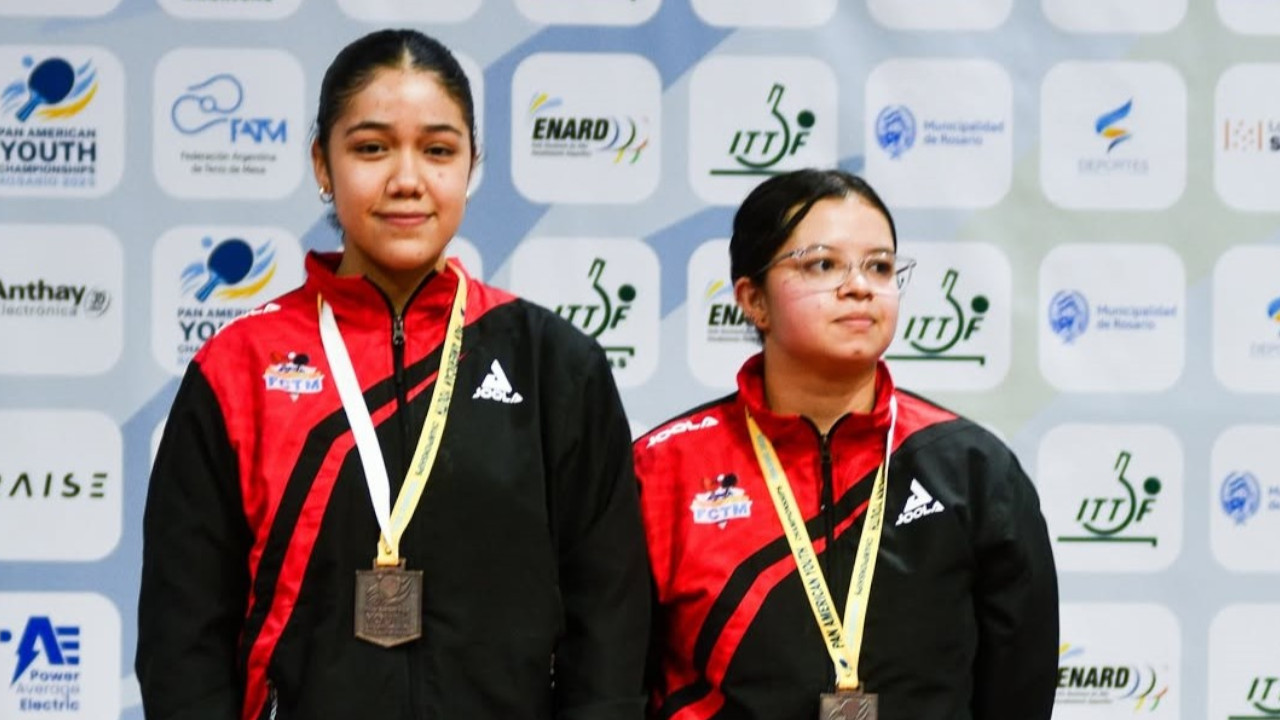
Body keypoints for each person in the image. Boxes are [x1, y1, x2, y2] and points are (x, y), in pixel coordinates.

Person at [137, 28, 650, 720]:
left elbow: (609, 626)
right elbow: (182, 633)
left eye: (438, 150)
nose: (407, 179)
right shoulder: (241, 365)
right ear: (323, 164)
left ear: (470, 166)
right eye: (371, 148)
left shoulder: (554, 363)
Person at [633, 169, 1058, 719]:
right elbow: (614, 680)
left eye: (879, 266)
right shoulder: (665, 468)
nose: (859, 285)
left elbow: (1018, 686)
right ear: (753, 299)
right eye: (822, 264)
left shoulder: (970, 469)